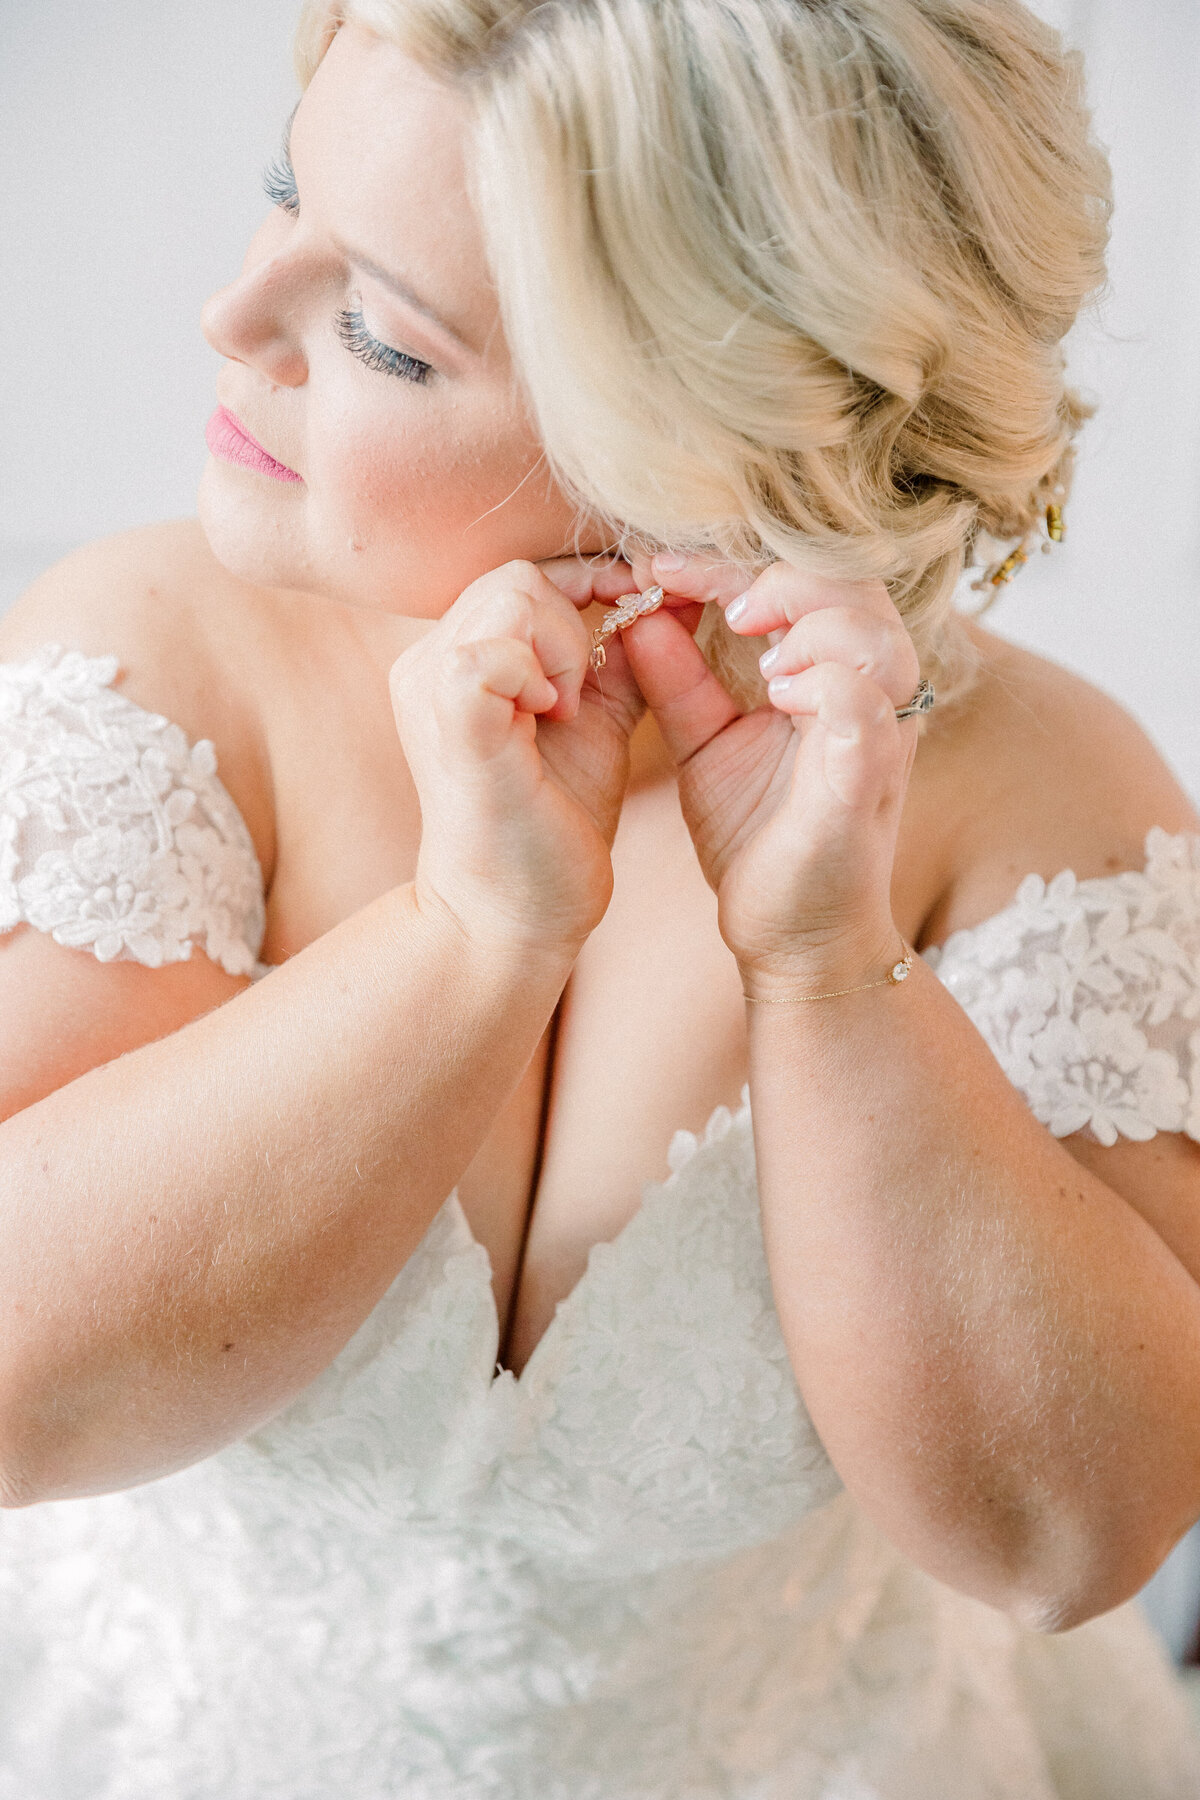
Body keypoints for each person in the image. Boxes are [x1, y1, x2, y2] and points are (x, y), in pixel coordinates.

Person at [1, 0, 1200, 1792]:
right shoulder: (159, 662)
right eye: (283, 191)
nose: (236, 320)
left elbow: (1062, 1544)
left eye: (383, 340)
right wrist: (471, 939)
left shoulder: (1039, 802)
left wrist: (828, 965)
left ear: (695, 467)